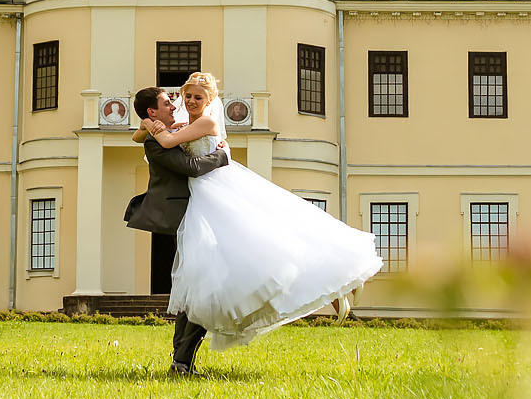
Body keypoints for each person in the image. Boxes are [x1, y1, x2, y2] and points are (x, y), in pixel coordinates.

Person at [142, 71, 381, 350]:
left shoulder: (205, 121)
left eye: (198, 97)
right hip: (202, 194)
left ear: (209, 100)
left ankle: (334, 281)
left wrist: (158, 129)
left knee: (265, 242)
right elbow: (142, 136)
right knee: (240, 257)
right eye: (188, 96)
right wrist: (149, 122)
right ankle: (186, 347)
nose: (191, 101)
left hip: (216, 188)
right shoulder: (186, 123)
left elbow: (170, 143)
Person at [123, 84, 231, 374]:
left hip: (200, 216)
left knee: (194, 290)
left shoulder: (171, 132)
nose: (174, 105)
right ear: (152, 111)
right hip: (184, 218)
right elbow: (192, 167)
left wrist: (147, 125)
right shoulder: (156, 143)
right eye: (166, 103)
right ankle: (181, 360)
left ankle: (180, 361)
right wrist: (222, 156)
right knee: (200, 290)